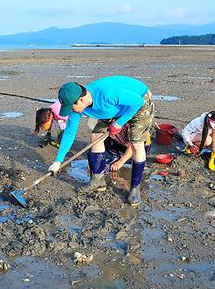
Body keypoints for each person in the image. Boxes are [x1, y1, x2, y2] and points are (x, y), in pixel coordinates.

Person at [48, 76, 154, 206]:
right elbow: (69, 133)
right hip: (112, 109)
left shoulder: (107, 94)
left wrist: (119, 123)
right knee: (96, 136)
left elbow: (137, 102)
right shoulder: (78, 108)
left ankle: (135, 188)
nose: (71, 111)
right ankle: (98, 182)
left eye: (71, 107)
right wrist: (58, 161)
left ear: (80, 100)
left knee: (137, 143)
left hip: (139, 101)